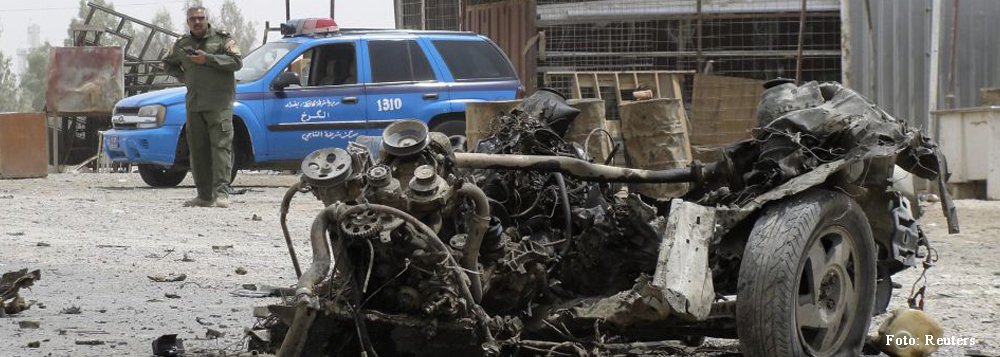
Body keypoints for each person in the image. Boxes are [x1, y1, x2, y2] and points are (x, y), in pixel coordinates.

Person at [163, 6, 243, 208]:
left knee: (221, 148)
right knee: (198, 151)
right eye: (193, 19)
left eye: (201, 18)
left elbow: (236, 62)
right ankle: (204, 196)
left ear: (207, 19)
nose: (197, 22)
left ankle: (222, 194)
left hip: (219, 104)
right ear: (188, 22)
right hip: (194, 104)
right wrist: (185, 76)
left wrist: (207, 59)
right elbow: (167, 63)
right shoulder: (182, 44)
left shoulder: (222, 39)